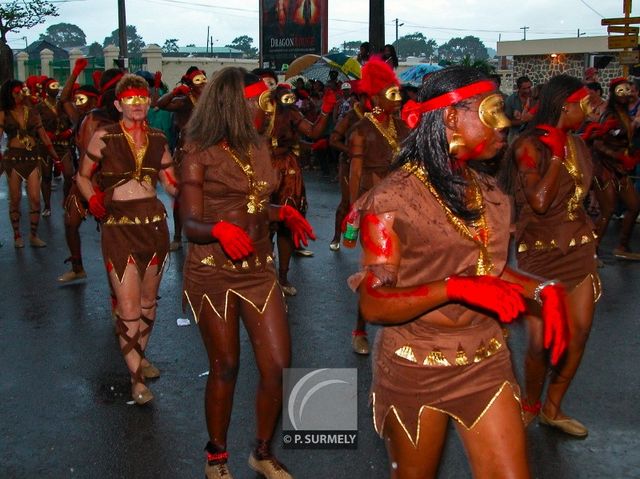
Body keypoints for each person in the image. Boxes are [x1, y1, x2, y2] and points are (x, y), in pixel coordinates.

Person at [350, 66, 569, 478]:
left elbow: (491, 272)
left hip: (486, 361)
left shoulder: (488, 192)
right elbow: (373, 302)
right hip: (415, 366)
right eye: (492, 111)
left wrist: (543, 290)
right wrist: (453, 288)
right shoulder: (390, 200)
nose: (505, 123)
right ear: (451, 117)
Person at [180, 67, 314, 479]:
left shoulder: (258, 145)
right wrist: (217, 229)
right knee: (225, 365)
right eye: (264, 101)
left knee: (277, 364)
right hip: (212, 271)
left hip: (258, 269)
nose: (270, 109)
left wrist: (282, 212)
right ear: (238, 105)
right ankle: (216, 456)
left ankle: (261, 450)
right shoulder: (198, 149)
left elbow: (255, 203)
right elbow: (189, 221)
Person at [501, 75, 600, 437]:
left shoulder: (579, 144)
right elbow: (539, 202)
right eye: (583, 103)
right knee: (541, 343)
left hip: (579, 250)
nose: (589, 110)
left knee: (579, 335)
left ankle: (552, 408)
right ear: (564, 106)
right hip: (540, 257)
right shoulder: (530, 146)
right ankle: (530, 404)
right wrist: (556, 155)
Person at [76, 74, 178, 405]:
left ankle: (138, 354)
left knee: (148, 302)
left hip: (154, 227)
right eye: (130, 100)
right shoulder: (104, 136)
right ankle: (135, 380)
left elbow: (172, 184)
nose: (137, 104)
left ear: (149, 102)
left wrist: (199, 176)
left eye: (143, 98)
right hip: (118, 227)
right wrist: (92, 200)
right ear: (119, 104)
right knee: (130, 306)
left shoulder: (160, 138)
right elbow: (82, 176)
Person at [347, 58, 409, 354]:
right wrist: (353, 209)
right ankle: (360, 329)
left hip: (404, 204)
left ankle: (400, 326)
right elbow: (356, 174)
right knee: (377, 270)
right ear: (376, 96)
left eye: (399, 94)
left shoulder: (403, 127)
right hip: (374, 208)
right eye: (392, 94)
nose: (398, 100)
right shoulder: (361, 129)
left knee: (407, 267)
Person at [259, 82, 335, 295]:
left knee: (286, 224)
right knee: (260, 222)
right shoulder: (254, 110)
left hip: (286, 169)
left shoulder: (290, 112)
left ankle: (282, 277)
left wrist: (326, 110)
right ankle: (262, 276)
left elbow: (313, 131)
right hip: (260, 166)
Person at [57, 66, 122, 283]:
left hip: (107, 184)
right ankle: (77, 267)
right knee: (70, 223)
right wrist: (74, 72)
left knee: (111, 237)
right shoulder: (82, 118)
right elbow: (64, 99)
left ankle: (120, 287)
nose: (78, 103)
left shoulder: (118, 122)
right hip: (82, 182)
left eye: (83, 99)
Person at [0, 79, 61, 248]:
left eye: (21, 91)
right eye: (16, 92)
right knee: (15, 199)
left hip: (32, 158)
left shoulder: (32, 111)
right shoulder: (4, 113)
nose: (20, 95)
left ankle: (33, 235)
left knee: (35, 199)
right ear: (9, 94)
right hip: (13, 159)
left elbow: (44, 136)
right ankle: (17, 236)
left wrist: (56, 157)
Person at [156, 66, 208, 251]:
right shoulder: (184, 101)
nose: (202, 83)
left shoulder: (211, 101)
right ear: (190, 85)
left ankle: (204, 233)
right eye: (197, 80)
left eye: (204, 79)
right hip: (186, 154)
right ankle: (178, 236)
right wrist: (174, 92)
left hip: (209, 153)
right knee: (181, 195)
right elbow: (160, 104)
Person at [590, 78, 640, 259]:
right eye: (622, 91)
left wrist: (630, 151)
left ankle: (622, 247)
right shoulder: (609, 115)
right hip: (604, 169)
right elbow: (597, 144)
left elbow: (624, 141)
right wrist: (619, 156)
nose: (626, 94)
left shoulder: (625, 114)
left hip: (620, 170)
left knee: (634, 206)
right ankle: (592, 252)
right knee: (607, 211)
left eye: (629, 90)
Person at [328, 84, 367, 251]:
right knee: (347, 203)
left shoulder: (382, 117)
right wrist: (352, 152)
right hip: (349, 165)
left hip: (370, 167)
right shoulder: (351, 116)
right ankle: (337, 237)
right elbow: (333, 140)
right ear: (361, 99)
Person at [37, 77, 72, 216]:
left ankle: (66, 200)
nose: (56, 88)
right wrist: (44, 135)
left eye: (57, 85)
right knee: (46, 177)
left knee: (69, 174)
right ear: (46, 89)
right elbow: (34, 126)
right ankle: (47, 205)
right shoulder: (39, 107)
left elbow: (74, 121)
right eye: (53, 86)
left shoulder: (63, 105)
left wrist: (69, 132)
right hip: (45, 147)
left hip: (63, 146)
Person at [505, 75, 533, 143]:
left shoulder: (535, 98)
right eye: (524, 88)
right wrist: (522, 121)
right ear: (518, 88)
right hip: (515, 135)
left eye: (529, 87)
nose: (527, 91)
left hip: (531, 135)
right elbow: (506, 121)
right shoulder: (511, 100)